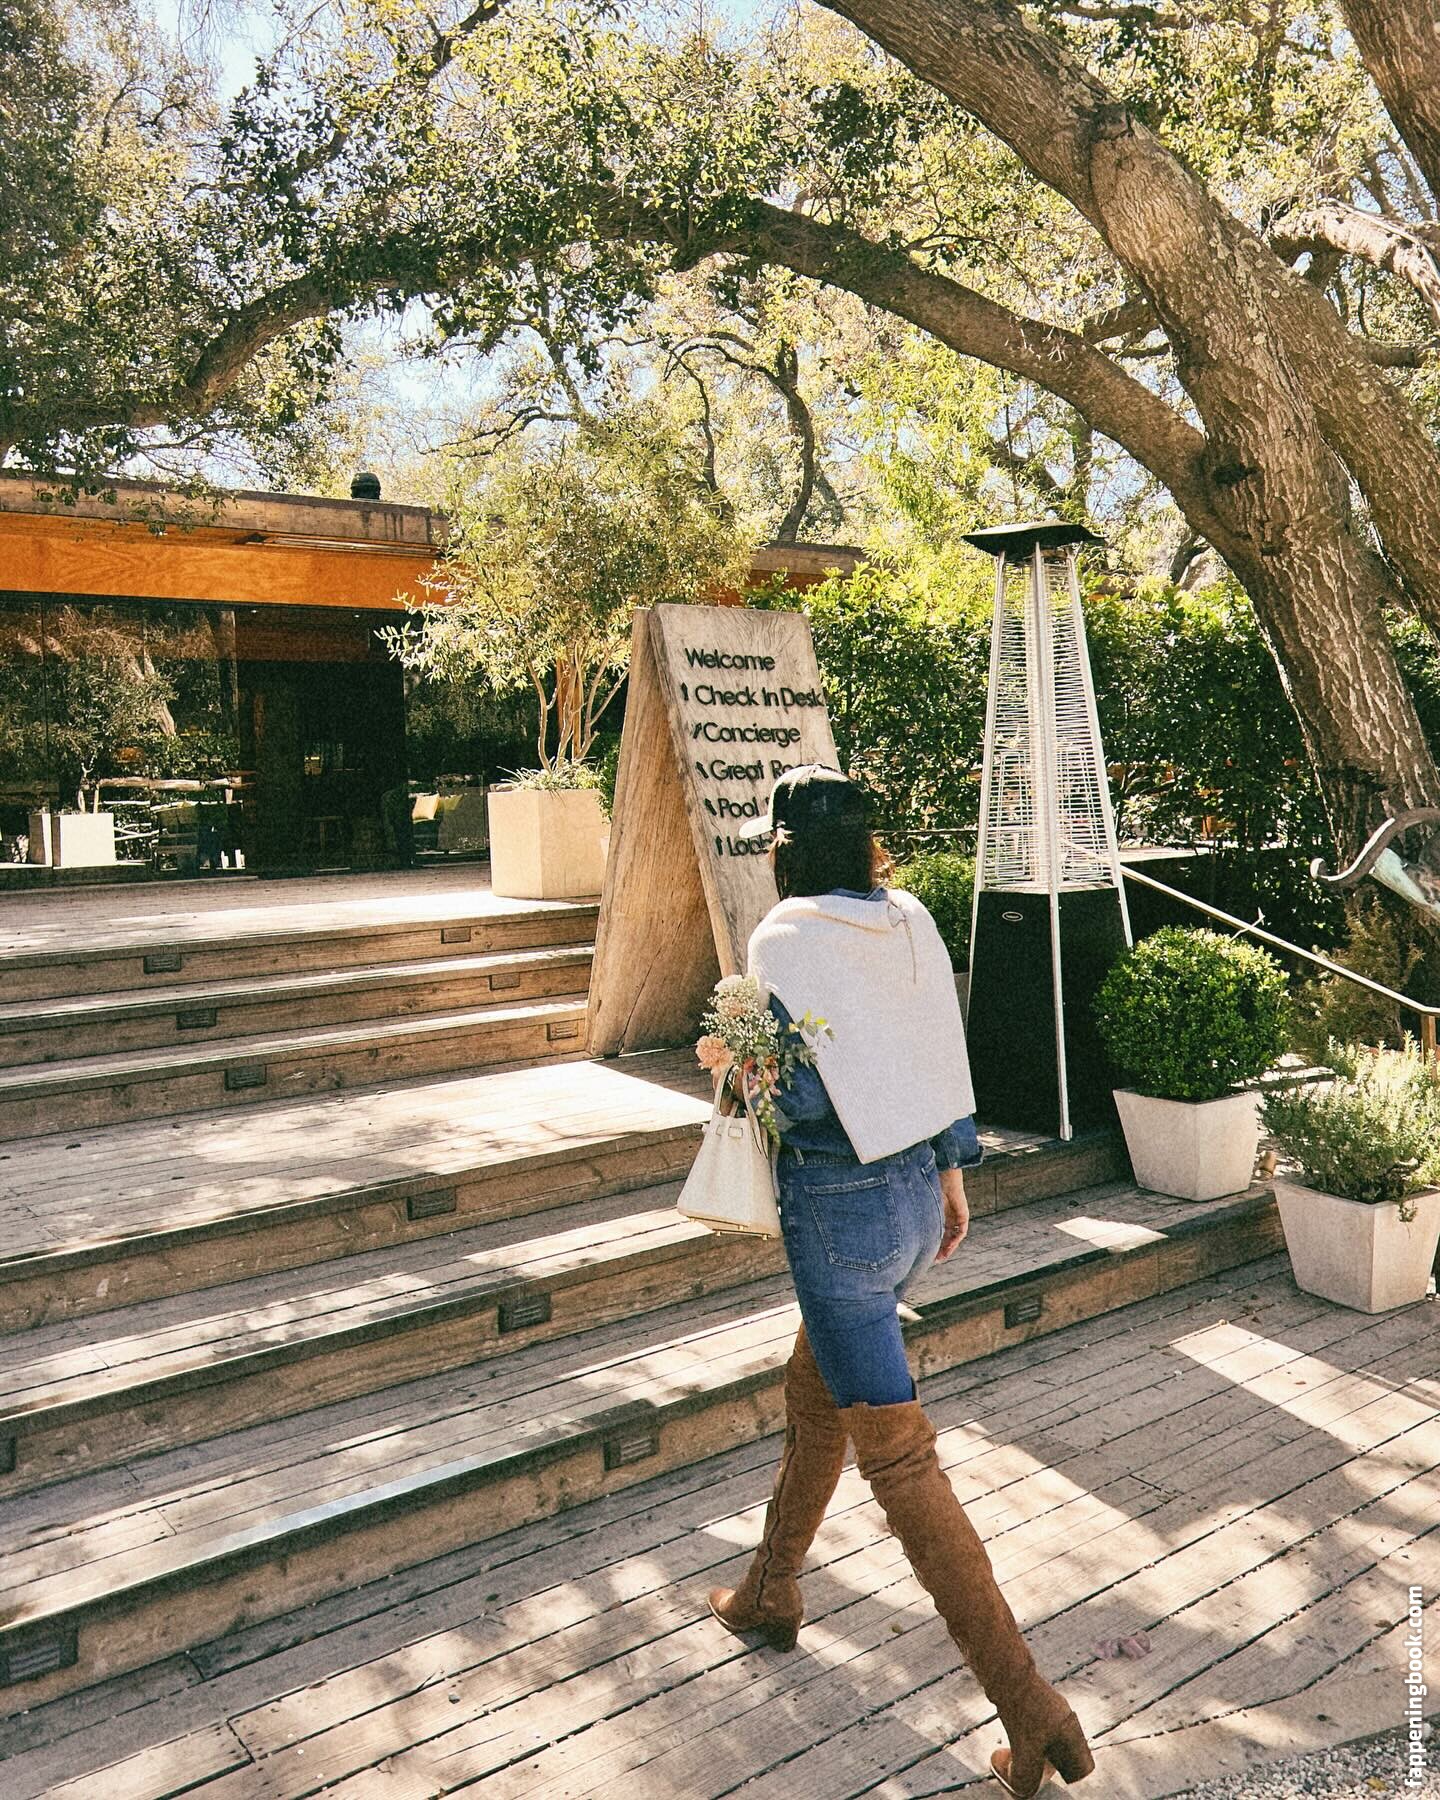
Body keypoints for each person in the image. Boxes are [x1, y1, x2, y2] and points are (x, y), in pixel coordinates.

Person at [705, 765, 1095, 1799]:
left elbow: (791, 1100)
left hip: (840, 1215)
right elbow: (937, 1050)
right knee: (819, 1389)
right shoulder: (911, 915)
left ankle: (1028, 1704)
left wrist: (735, 1069)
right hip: (921, 1199)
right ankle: (770, 1590)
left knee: (901, 1460)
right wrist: (954, 1177)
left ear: (786, 852)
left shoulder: (781, 937)